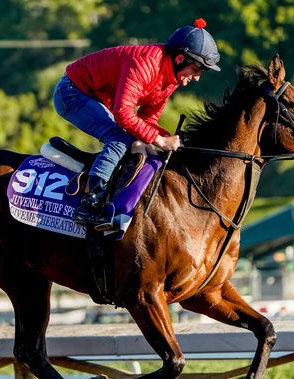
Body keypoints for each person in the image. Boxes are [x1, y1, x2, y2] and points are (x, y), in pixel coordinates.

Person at [53, 18, 220, 226]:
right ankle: (89, 205)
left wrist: (166, 137)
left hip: (96, 97)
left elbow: (146, 119)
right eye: (196, 70)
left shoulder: (172, 78)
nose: (197, 78)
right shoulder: (145, 63)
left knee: (137, 139)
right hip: (71, 93)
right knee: (119, 139)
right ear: (180, 59)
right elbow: (123, 114)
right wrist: (159, 140)